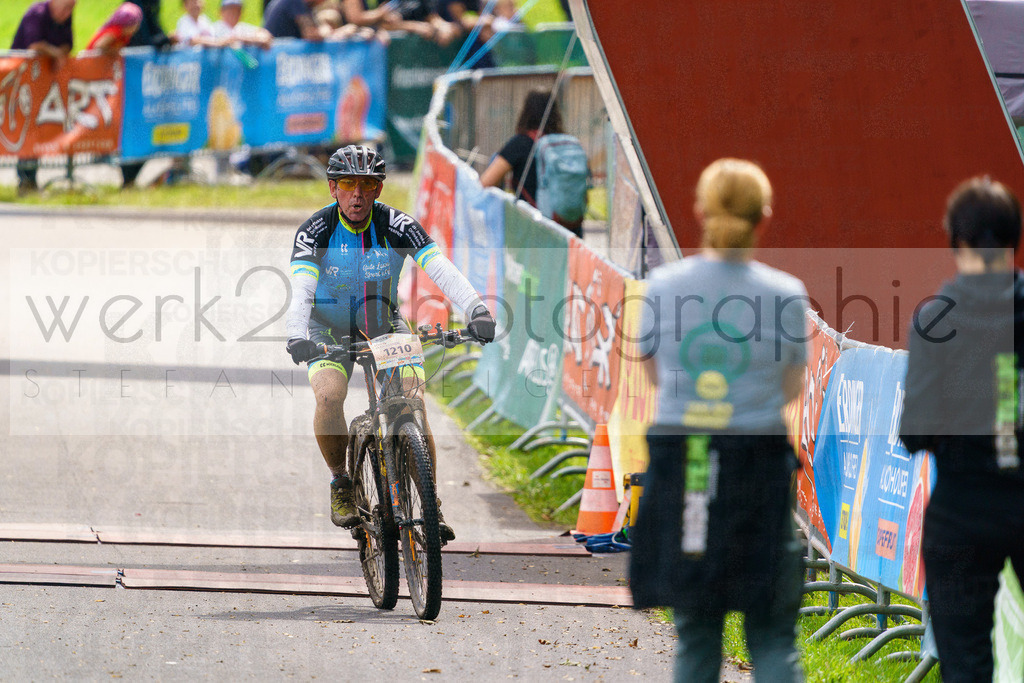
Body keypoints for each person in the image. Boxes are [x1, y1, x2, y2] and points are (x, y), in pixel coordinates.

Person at [631, 158, 808, 682]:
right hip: (758, 466)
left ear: (699, 212)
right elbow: (791, 389)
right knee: (774, 635)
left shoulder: (661, 287)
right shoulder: (786, 295)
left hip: (684, 462)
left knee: (697, 634)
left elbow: (655, 377)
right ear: (765, 217)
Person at [284, 145, 496, 541]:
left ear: (379, 189)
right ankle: (341, 482)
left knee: (411, 399)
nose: (358, 194)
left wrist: (477, 310)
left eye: (367, 184)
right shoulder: (316, 230)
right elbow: (302, 291)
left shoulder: (397, 225)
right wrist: (297, 333)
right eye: (349, 184)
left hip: (382, 324)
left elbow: (440, 269)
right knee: (330, 395)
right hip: (325, 329)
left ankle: (429, 505)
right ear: (333, 188)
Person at [900, 177, 1024, 683]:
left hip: (962, 508)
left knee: (966, 662)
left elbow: (915, 433)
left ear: (959, 242)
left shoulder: (936, 320)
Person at [480, 89, 588, 237]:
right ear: (555, 112)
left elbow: (485, 183)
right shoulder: (567, 145)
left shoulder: (520, 144)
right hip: (571, 232)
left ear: (526, 112)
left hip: (534, 233)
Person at [10, 0, 76, 194]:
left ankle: (30, 180)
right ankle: (26, 181)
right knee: (26, 129)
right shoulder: (37, 14)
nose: (68, 12)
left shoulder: (64, 15)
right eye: (66, 7)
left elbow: (67, 44)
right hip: (22, 81)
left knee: (37, 129)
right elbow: (34, 45)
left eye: (72, 8)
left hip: (45, 84)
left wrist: (60, 55)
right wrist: (55, 54)